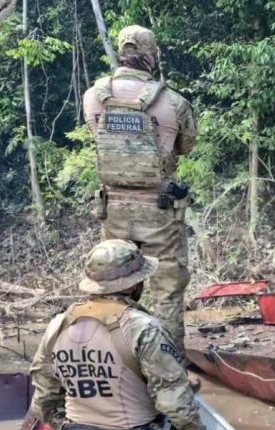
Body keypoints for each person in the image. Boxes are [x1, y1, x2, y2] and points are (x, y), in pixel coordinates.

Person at [30, 240, 211, 430]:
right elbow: (176, 404)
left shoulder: (58, 326)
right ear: (132, 284)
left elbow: (43, 399)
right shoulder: (143, 329)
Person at [83, 25, 196, 354]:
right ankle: (169, 369)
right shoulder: (174, 101)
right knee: (168, 290)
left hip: (112, 207)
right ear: (152, 56)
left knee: (112, 286)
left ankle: (115, 361)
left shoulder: (94, 96)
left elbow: (96, 136)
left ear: (121, 52)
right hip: (159, 209)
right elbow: (185, 146)